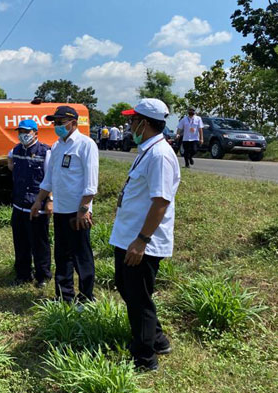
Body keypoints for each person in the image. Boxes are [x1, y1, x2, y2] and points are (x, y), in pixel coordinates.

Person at [112, 98, 181, 371]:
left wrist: (141, 241)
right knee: (127, 288)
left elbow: (161, 201)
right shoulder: (147, 149)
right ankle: (158, 338)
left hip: (141, 241)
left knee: (139, 298)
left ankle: (145, 357)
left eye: (133, 120)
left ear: (145, 123)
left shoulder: (160, 155)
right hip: (128, 235)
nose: (130, 125)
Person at [30, 106, 99, 304]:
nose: (57, 126)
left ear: (73, 123)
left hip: (78, 211)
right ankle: (63, 296)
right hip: (60, 209)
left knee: (81, 256)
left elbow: (91, 183)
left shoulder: (86, 145)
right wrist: (38, 200)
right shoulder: (57, 146)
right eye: (55, 123)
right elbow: (49, 179)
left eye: (61, 122)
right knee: (62, 255)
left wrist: (84, 210)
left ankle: (86, 297)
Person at [7, 119, 52, 288]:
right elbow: (10, 160)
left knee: (39, 243)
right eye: (20, 132)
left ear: (35, 133)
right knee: (20, 242)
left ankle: (43, 276)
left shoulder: (45, 152)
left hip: (36, 206)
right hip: (19, 205)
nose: (23, 135)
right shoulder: (16, 150)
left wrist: (49, 200)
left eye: (26, 132)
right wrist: (11, 165)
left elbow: (51, 178)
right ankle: (23, 274)